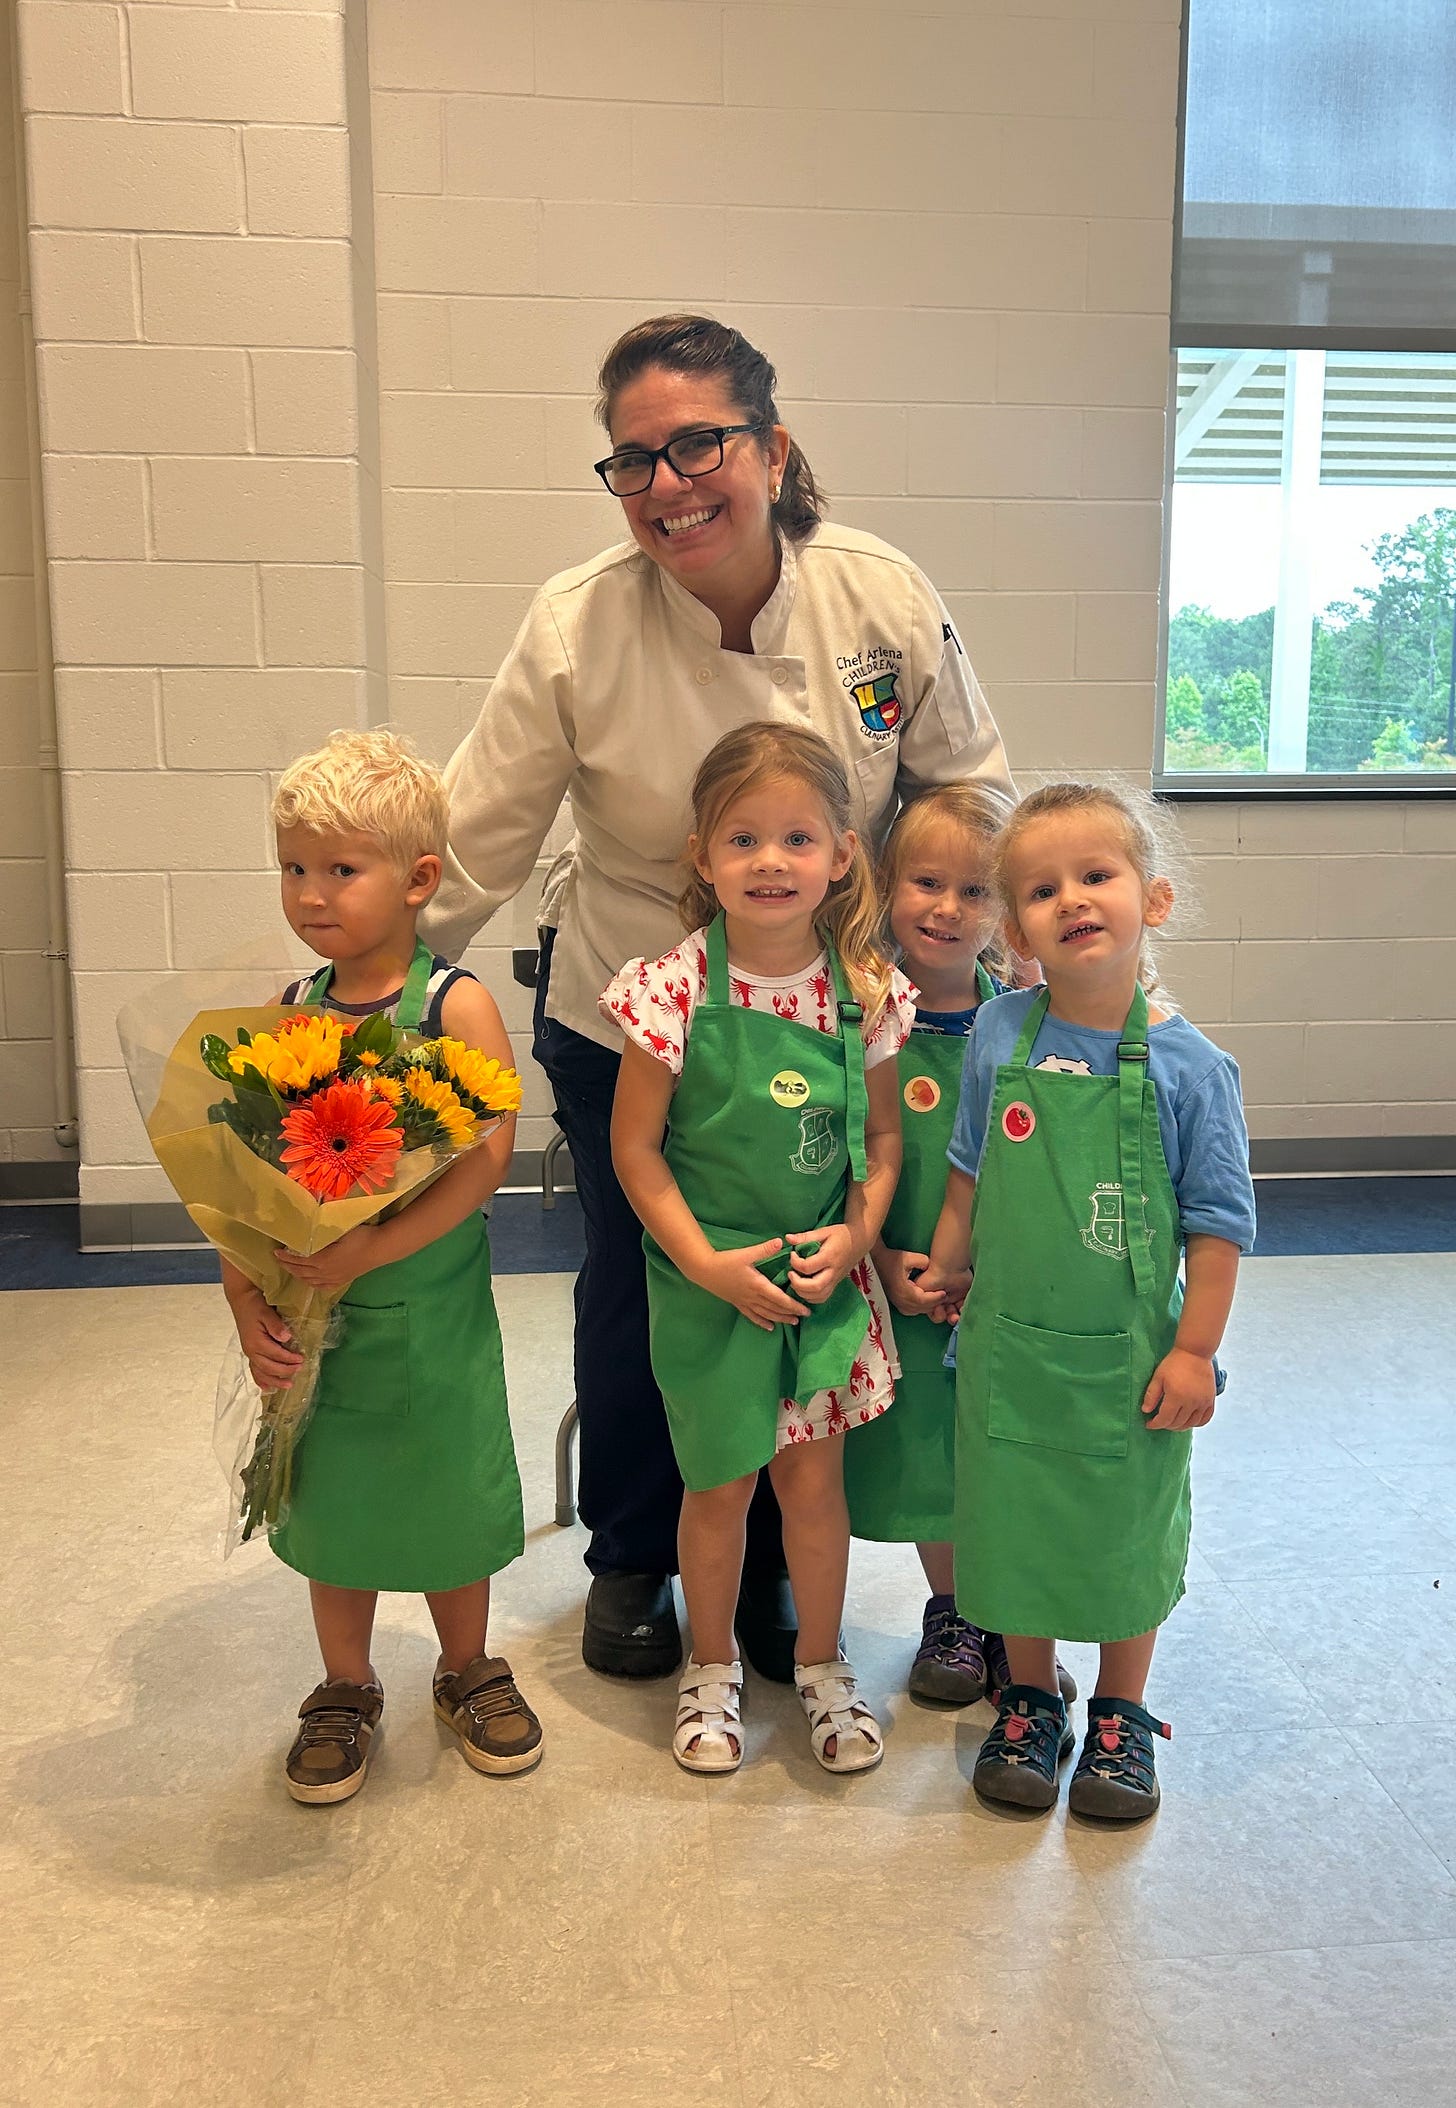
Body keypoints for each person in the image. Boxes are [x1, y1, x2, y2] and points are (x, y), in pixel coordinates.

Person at [422, 312, 1012, 1684]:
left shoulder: (875, 595)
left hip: (834, 999)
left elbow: (968, 785)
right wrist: (368, 990)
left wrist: (993, 946)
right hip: (638, 1007)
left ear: (772, 448)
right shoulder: (578, 625)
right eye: (632, 461)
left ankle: (774, 1572)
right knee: (645, 1290)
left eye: (700, 444)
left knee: (831, 1272)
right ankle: (634, 1554)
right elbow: (477, 837)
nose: (669, 484)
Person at [920, 780, 1256, 1822]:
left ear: (1150, 899)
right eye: (1037, 887)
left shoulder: (1191, 1068)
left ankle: (1117, 1712)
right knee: (1010, 1527)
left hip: (1128, 1359)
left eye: (1095, 875)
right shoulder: (998, 1033)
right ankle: (1026, 1697)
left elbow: (1218, 1225)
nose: (1070, 899)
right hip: (1008, 1349)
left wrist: (1194, 1350)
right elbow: (969, 1166)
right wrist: (947, 1262)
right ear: (1010, 922)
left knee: (1121, 1531)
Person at [221, 730, 543, 1804]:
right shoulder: (293, 1008)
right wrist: (245, 1300)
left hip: (428, 1305)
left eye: (339, 869)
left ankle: (465, 1665)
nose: (310, 893)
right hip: (321, 1314)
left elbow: (483, 1161)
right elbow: (245, 1178)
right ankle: (346, 1682)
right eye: (293, 867)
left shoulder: (454, 1006)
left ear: (417, 881)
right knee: (335, 1495)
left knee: (446, 1484)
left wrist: (372, 1246)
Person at [604, 723, 914, 1772]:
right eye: (742, 838)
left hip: (820, 1286)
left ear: (840, 855)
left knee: (814, 1489)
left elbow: (880, 1140)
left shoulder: (863, 990)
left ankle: (825, 1666)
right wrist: (703, 1263)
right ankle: (710, 1665)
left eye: (795, 836)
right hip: (709, 1285)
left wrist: (859, 1233)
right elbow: (635, 1149)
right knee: (719, 1486)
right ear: (702, 856)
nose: (770, 860)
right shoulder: (673, 989)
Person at [843, 783, 1078, 1716]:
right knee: (925, 1452)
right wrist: (880, 1265)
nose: (947, 909)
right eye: (925, 883)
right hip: (901, 1276)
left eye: (976, 892)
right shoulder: (860, 1015)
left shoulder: (1023, 1021)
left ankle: (1008, 1613)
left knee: (999, 1450)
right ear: (886, 885)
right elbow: (838, 1153)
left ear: (1009, 913)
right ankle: (951, 1609)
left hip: (1000, 1288)